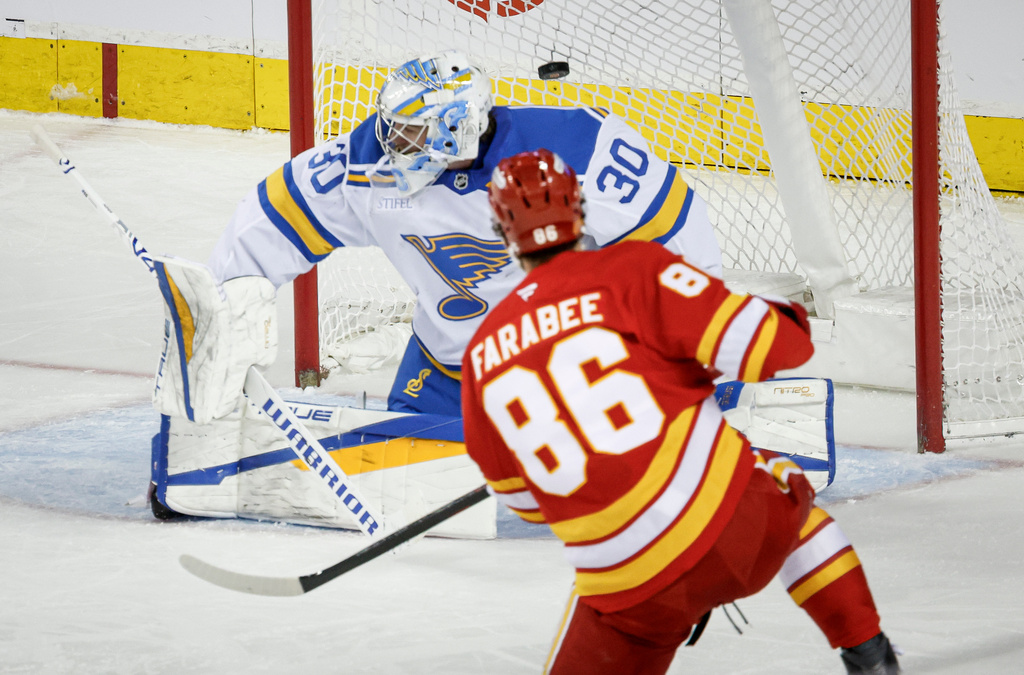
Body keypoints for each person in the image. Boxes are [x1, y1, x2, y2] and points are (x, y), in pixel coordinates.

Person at [460, 149, 901, 674]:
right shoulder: (631, 268)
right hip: (736, 529)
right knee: (788, 498)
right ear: (578, 208)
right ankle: (869, 655)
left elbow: (528, 505)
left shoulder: (480, 354)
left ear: (500, 230)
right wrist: (788, 316)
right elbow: (774, 348)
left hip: (627, 588)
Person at [205, 48, 722, 416]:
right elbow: (274, 214)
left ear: (458, 128)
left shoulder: (576, 151)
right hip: (449, 367)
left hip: (572, 367)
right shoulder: (371, 162)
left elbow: (675, 228)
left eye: (410, 133)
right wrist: (227, 305)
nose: (390, 145)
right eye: (391, 129)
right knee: (406, 472)